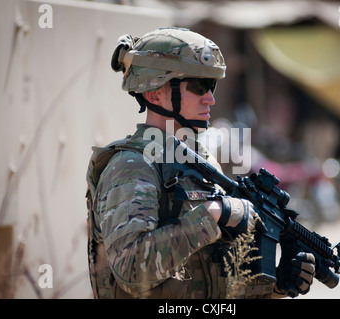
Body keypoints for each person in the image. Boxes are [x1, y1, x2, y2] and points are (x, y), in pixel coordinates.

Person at [85, 27, 315, 299]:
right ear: (154, 94)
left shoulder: (201, 164)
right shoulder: (133, 166)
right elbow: (132, 270)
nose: (211, 98)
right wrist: (214, 213)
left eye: (212, 85)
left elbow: (218, 282)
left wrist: (276, 288)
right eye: (198, 86)